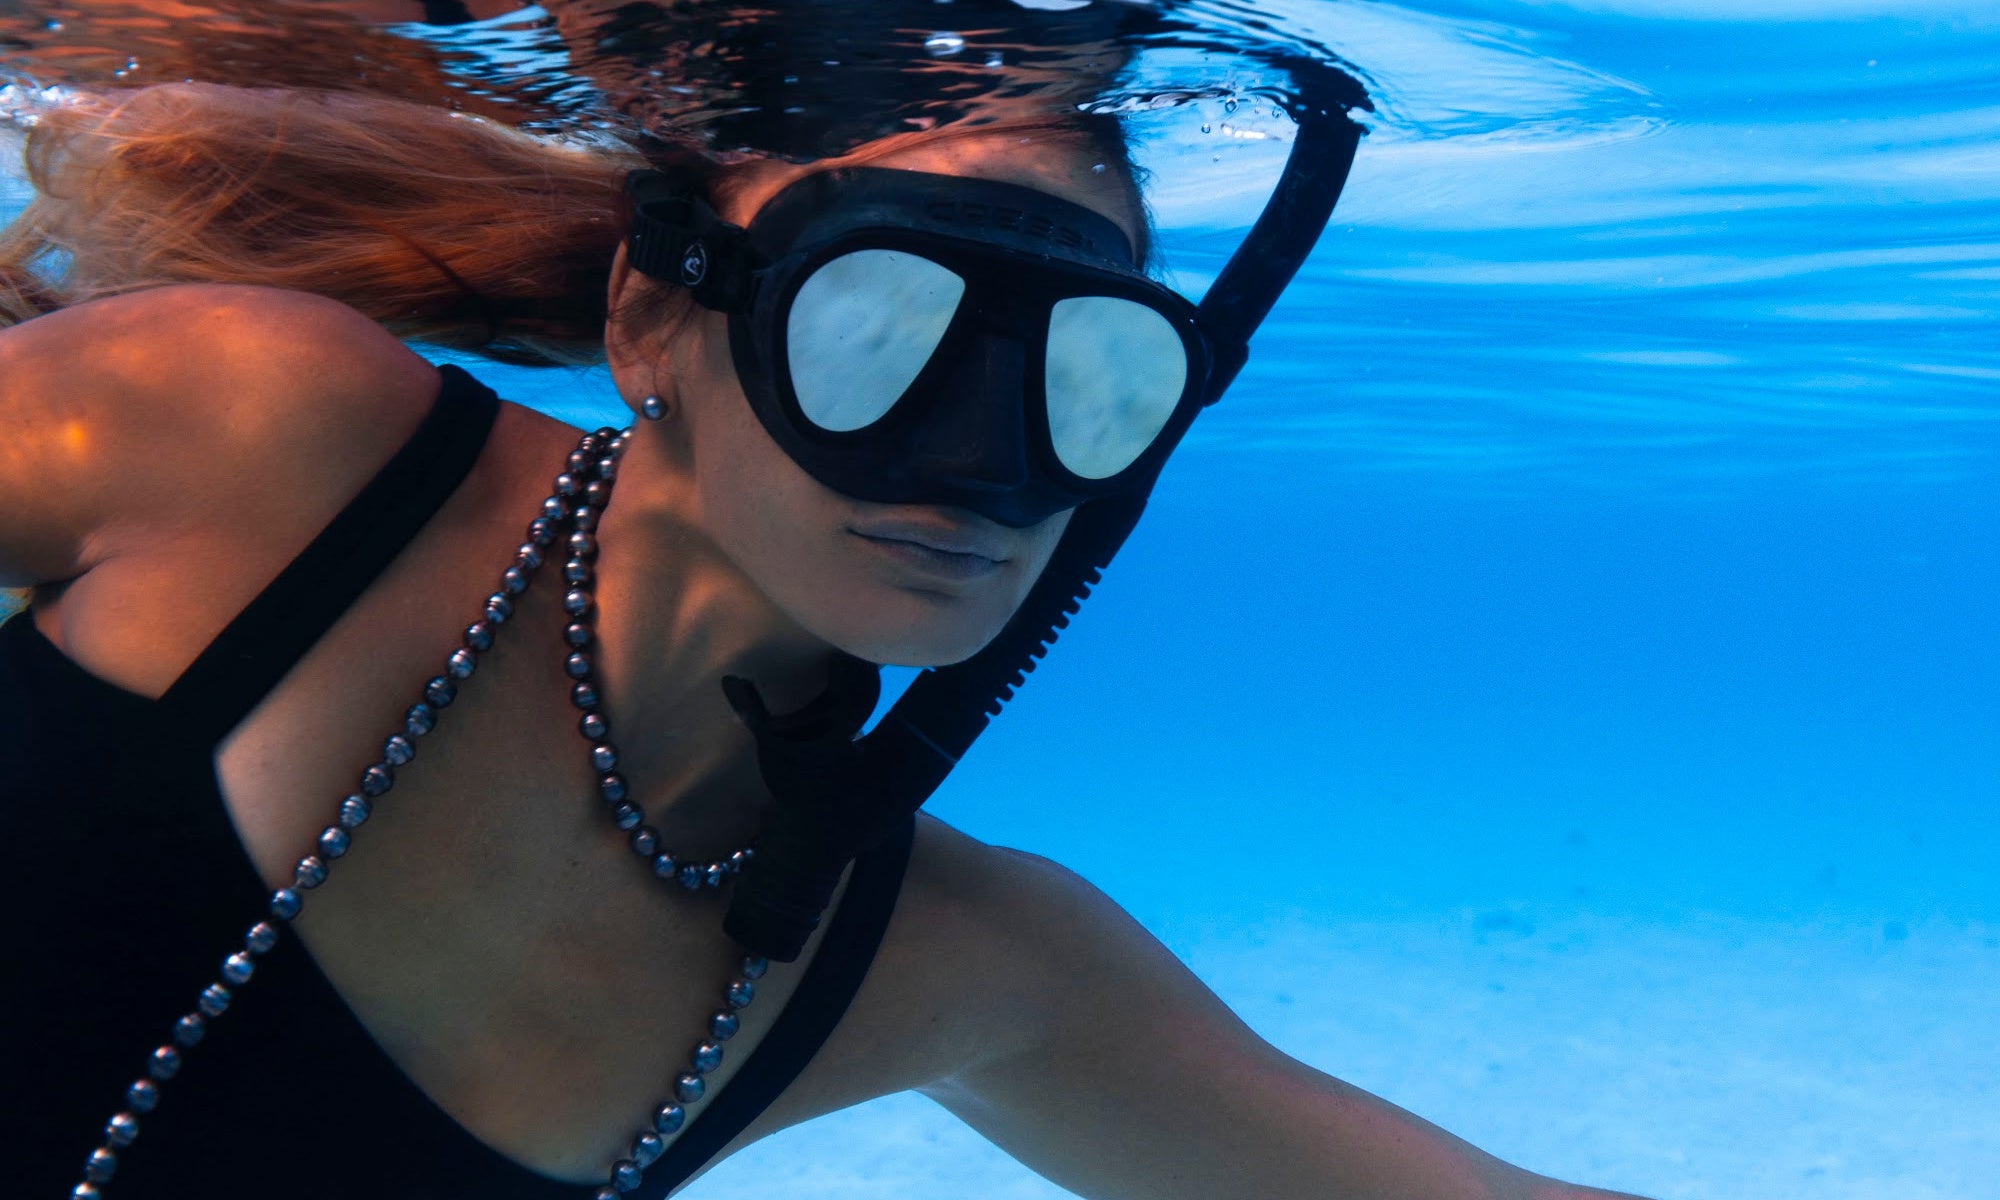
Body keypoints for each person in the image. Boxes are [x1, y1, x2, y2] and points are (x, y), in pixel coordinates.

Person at [0, 7, 1662, 1198]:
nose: (981, 464)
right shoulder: (261, 438)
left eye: (1087, 375)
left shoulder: (935, 956)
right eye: (880, 326)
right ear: (652, 321)